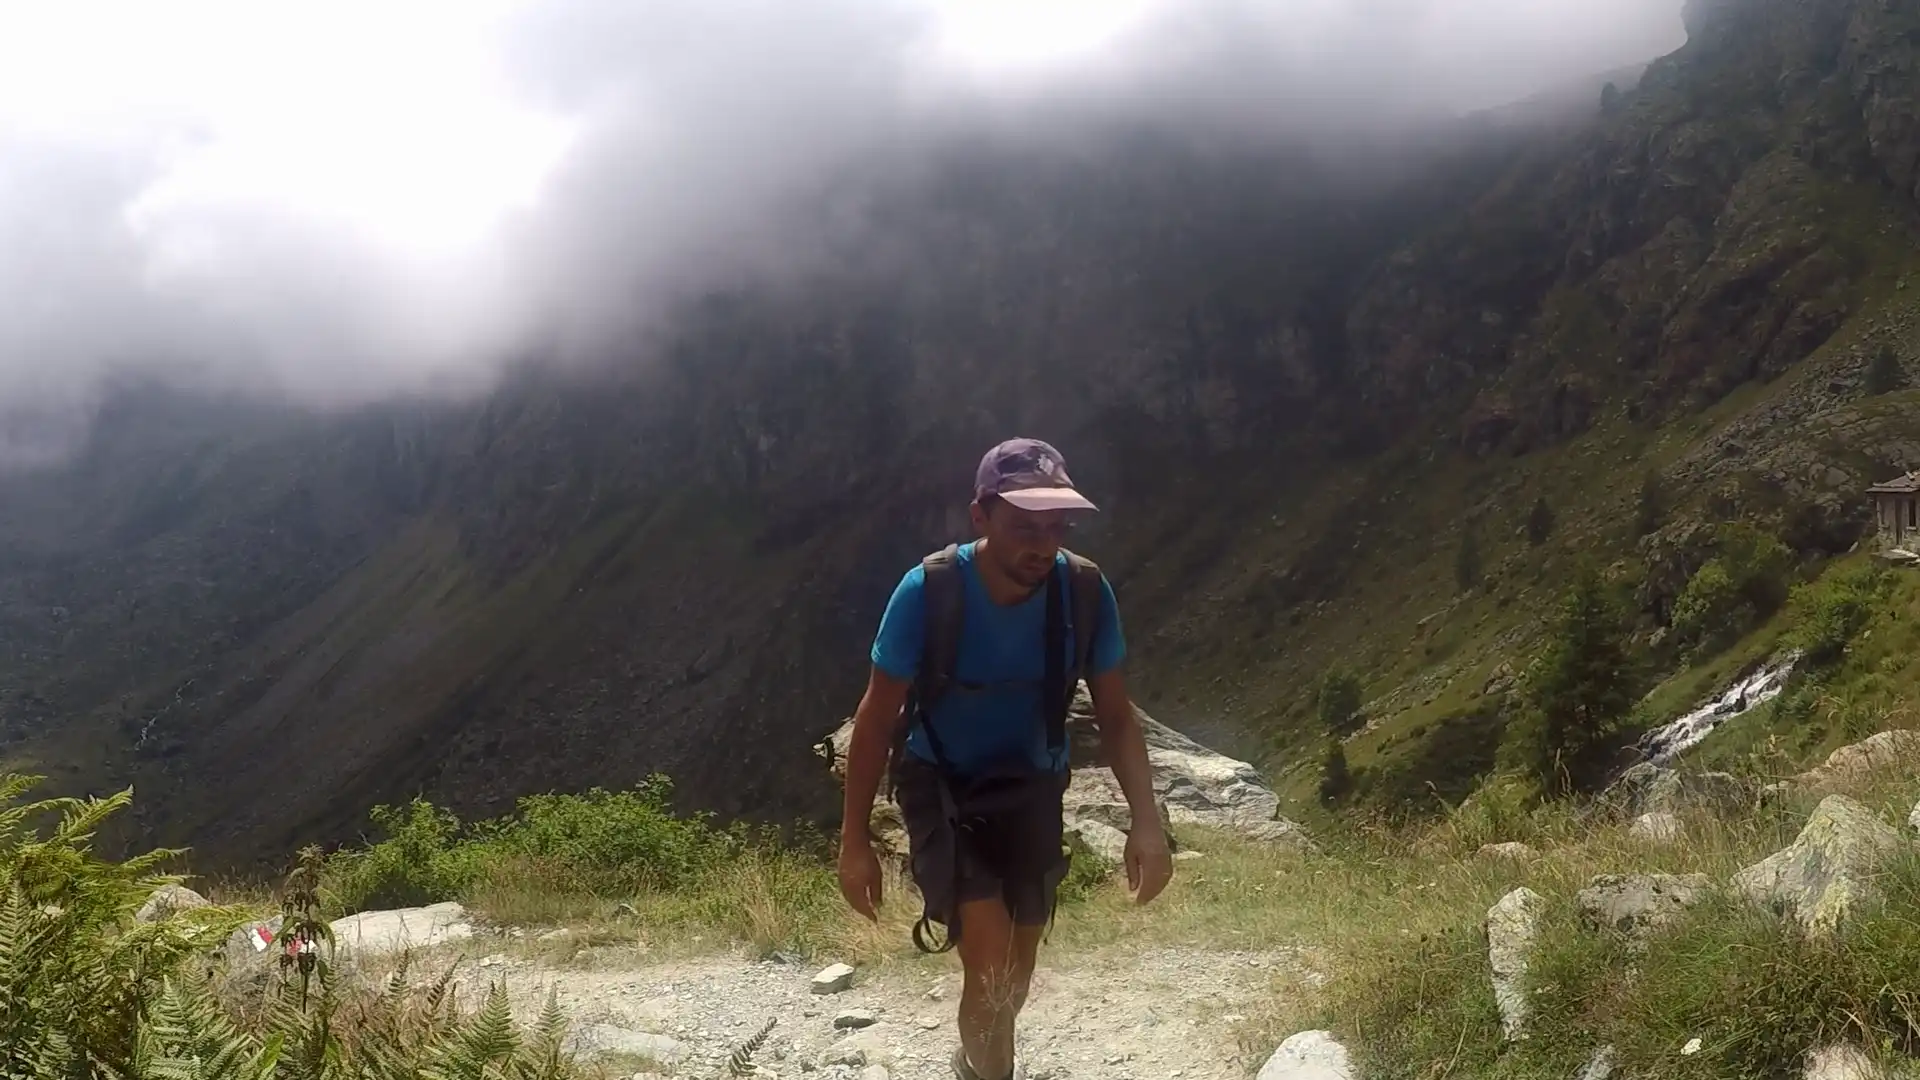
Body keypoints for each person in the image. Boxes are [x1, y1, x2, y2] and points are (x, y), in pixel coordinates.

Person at [836, 437, 1173, 1080]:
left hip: (1033, 785)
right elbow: (876, 718)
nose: (1043, 545)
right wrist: (854, 841)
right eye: (1024, 526)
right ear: (980, 517)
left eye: (1056, 526)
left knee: (1015, 973)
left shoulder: (1083, 591)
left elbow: (1117, 716)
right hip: (943, 784)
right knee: (989, 964)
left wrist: (1147, 823)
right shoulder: (928, 591)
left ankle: (973, 1062)